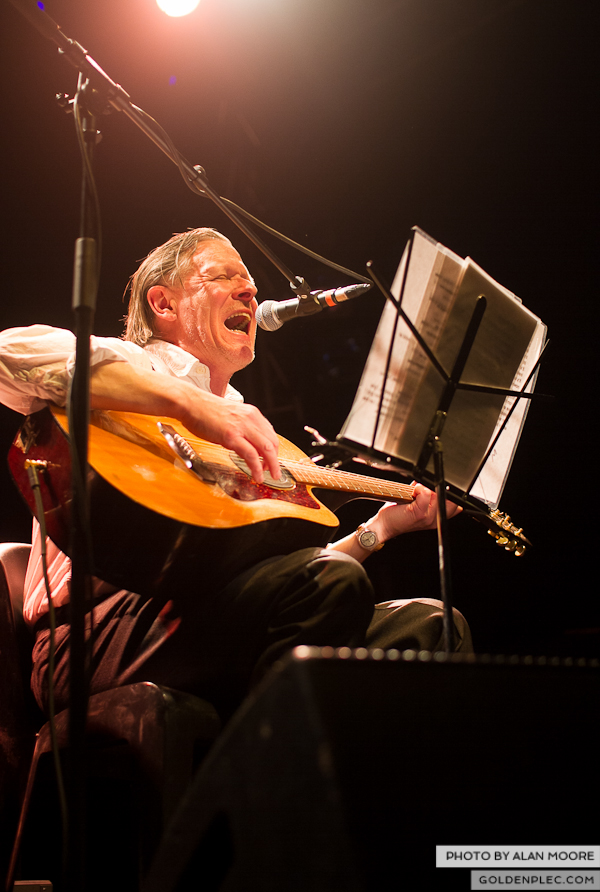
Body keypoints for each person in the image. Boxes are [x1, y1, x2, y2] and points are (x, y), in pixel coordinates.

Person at [0, 227, 472, 720]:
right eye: (224, 276)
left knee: (432, 627)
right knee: (327, 584)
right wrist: (188, 402)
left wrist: (383, 528)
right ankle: (266, 791)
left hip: (195, 610)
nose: (249, 290)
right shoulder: (132, 367)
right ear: (163, 304)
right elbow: (8, 353)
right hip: (94, 638)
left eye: (249, 280)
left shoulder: (239, 421)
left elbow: (289, 579)